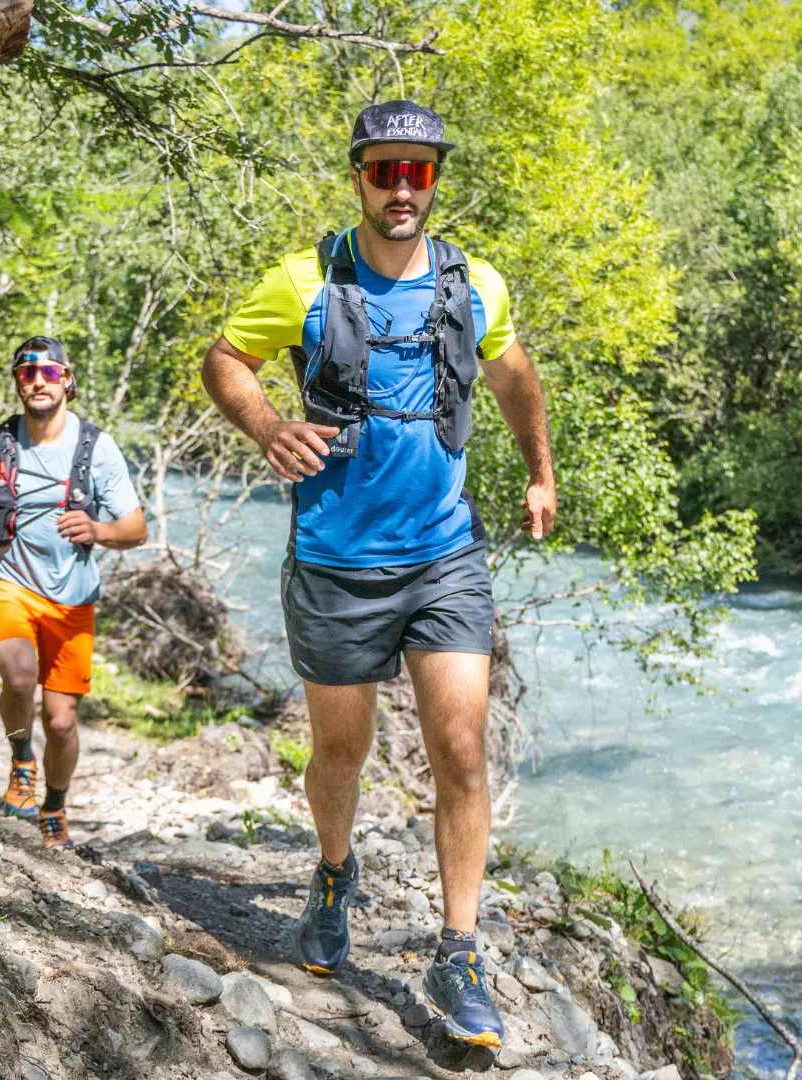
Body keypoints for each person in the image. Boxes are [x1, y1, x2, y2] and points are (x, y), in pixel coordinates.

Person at [200, 100, 555, 1048]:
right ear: (358, 175)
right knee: (340, 754)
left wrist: (540, 471)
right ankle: (332, 874)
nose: (403, 188)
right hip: (336, 561)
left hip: (445, 555)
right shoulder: (304, 280)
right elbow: (226, 359)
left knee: (462, 751)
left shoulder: (475, 283)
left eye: (419, 171)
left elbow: (514, 375)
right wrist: (267, 424)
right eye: (385, 170)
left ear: (434, 181)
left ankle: (458, 951)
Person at [0, 337, 147, 849]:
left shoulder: (97, 448)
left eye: (49, 373)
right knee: (18, 676)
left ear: (67, 380)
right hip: (8, 581)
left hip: (73, 600)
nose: (37, 381)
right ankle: (21, 762)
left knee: (61, 722)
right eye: (26, 373)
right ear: (17, 383)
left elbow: (136, 528)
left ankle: (54, 805)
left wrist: (98, 529)